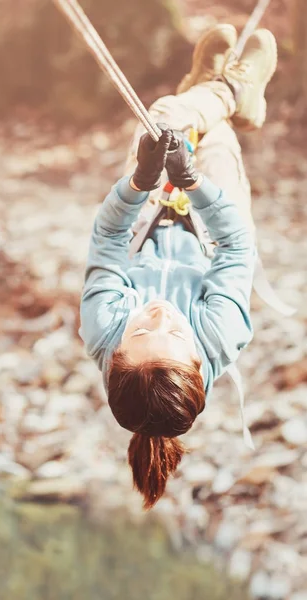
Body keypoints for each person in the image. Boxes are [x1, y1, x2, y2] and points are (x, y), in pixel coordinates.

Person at [79, 25, 278, 510]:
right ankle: (228, 92)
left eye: (141, 332)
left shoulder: (102, 328)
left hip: (145, 217)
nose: (162, 314)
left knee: (166, 118)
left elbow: (107, 239)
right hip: (213, 232)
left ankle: (216, 88)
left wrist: (140, 182)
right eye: (176, 333)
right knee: (213, 132)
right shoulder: (220, 334)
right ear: (198, 356)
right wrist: (193, 181)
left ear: (113, 358)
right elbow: (235, 244)